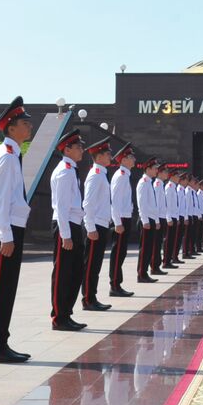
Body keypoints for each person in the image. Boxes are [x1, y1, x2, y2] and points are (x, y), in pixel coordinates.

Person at [0, 97, 33, 364]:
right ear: (11, 128)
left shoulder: (12, 155)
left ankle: (0, 342)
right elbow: (0, 200)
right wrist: (5, 235)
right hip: (5, 229)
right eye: (25, 123)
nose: (30, 127)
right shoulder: (5, 157)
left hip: (11, 227)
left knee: (7, 290)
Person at [49, 129, 89, 331]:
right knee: (63, 273)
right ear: (67, 149)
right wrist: (65, 235)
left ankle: (66, 313)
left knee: (75, 272)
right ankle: (59, 316)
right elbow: (61, 207)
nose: (82, 150)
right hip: (65, 226)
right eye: (78, 147)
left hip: (73, 224)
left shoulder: (71, 170)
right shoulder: (64, 171)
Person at [80, 138, 114, 311]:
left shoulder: (101, 174)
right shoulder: (95, 175)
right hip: (95, 226)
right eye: (107, 154)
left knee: (96, 264)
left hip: (101, 224)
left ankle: (92, 296)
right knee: (91, 265)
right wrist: (90, 227)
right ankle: (88, 299)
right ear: (98, 156)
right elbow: (88, 203)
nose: (110, 157)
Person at [108, 144, 137, 296]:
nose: (134, 159)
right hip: (120, 219)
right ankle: (114, 285)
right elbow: (115, 202)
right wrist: (117, 223)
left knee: (122, 252)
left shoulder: (125, 175)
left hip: (125, 217)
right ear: (124, 160)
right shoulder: (120, 176)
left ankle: (117, 284)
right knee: (118, 253)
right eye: (131, 157)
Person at [135, 158, 160, 284]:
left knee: (149, 248)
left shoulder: (149, 182)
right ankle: (141, 274)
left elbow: (152, 204)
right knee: (144, 249)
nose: (157, 171)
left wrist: (156, 220)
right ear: (148, 169)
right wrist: (145, 220)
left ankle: (144, 273)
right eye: (155, 168)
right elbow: (142, 203)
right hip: (146, 220)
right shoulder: (143, 182)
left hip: (150, 219)